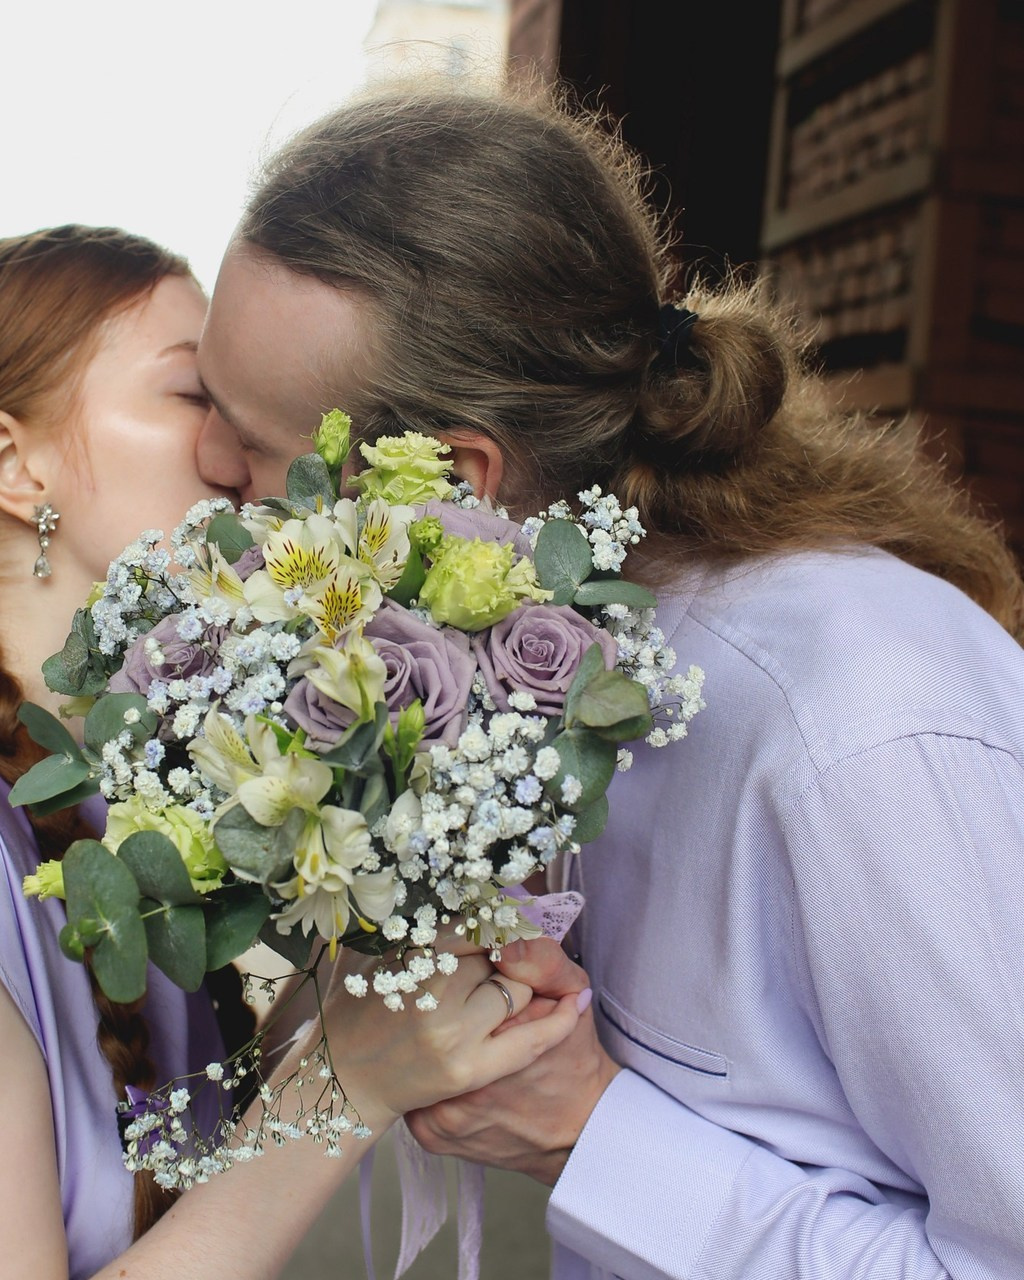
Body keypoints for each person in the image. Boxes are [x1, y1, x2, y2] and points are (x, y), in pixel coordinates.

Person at [191, 86, 1024, 1279]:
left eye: (248, 441)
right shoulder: (503, 658)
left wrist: (590, 1134)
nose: (206, 468)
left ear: (450, 479)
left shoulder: (859, 730)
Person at [0, 224, 588, 1280]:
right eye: (196, 395)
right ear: (15, 463)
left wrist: (400, 931)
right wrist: (340, 1086)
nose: (238, 458)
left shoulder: (118, 806)